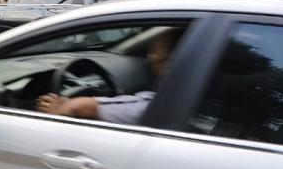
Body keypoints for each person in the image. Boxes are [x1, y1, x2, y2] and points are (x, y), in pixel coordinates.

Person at [35, 28, 183, 125]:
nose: (150, 58)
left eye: (156, 52)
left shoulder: (163, 103)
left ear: (171, 61)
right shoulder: (195, 94)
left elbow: (78, 108)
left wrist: (62, 107)